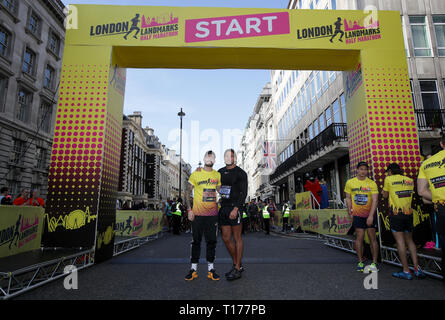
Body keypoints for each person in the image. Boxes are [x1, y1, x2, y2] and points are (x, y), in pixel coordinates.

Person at [383, 163, 426, 280]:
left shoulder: (388, 179)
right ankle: (417, 268)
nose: (387, 174)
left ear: (390, 171)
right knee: (410, 241)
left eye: (388, 172)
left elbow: (385, 195)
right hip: (409, 214)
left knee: (400, 242)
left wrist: (384, 192)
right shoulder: (409, 180)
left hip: (396, 215)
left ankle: (406, 271)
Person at [184, 151, 222, 281]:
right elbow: (187, 192)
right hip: (198, 214)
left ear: (215, 160)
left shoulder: (217, 175)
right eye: (207, 156)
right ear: (204, 158)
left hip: (212, 215)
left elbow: (220, 190)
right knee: (196, 241)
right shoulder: (196, 173)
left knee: (212, 241)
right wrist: (189, 210)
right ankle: (193, 269)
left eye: (212, 157)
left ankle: (211, 269)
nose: (209, 159)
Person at [417, 134, 445, 282]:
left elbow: (421, 192)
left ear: (441, 144)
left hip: (441, 208)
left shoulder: (426, 163)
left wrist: (439, 198)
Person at [218, 149, 248, 281]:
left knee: (237, 238)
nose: (228, 158)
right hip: (223, 207)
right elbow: (216, 186)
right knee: (225, 238)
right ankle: (238, 263)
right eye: (226, 156)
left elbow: (243, 193)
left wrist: (236, 209)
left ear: (234, 158)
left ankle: (236, 268)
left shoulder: (241, 173)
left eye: (230, 156)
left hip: (235, 208)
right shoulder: (219, 172)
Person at [344, 162, 379, 272]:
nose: (363, 171)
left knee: (372, 237)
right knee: (359, 237)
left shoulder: (372, 183)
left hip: (369, 214)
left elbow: (375, 200)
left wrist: (371, 216)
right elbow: (348, 197)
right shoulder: (350, 182)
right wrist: (349, 209)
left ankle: (374, 263)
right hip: (358, 214)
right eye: (361, 169)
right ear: (357, 170)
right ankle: (360, 262)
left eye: (365, 169)